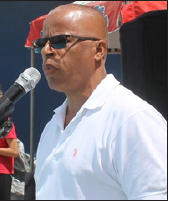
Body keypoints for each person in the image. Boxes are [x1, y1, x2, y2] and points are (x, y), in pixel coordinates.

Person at [33, 4, 167, 200]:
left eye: (59, 41)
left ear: (99, 50)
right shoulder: (52, 127)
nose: (46, 51)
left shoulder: (132, 119)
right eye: (41, 43)